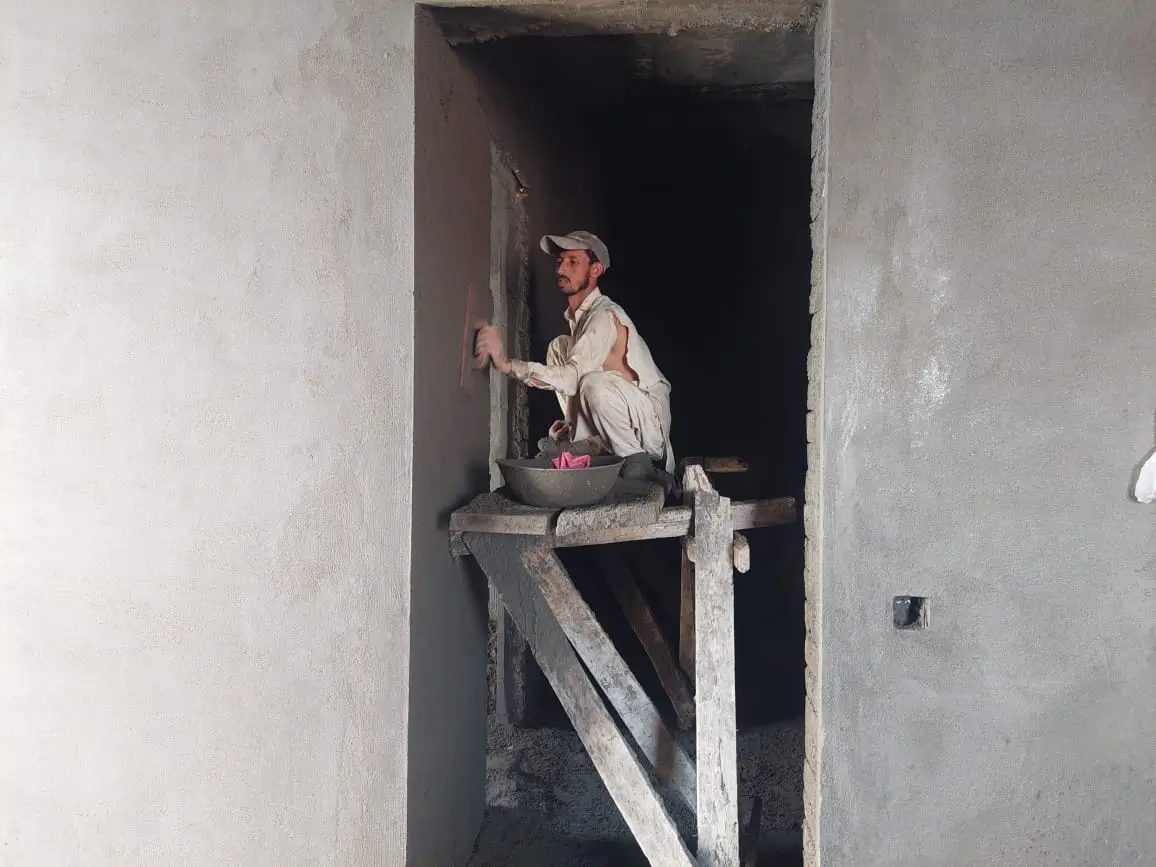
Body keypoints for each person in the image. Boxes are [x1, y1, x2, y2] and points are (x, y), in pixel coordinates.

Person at [474, 230, 679, 497]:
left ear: (595, 270)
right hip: (623, 413)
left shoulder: (604, 315)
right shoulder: (578, 321)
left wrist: (506, 363)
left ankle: (639, 465)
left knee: (592, 383)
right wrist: (575, 424)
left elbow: (574, 380)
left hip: (648, 427)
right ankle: (582, 440)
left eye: (573, 261)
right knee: (559, 348)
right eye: (560, 261)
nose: (561, 268)